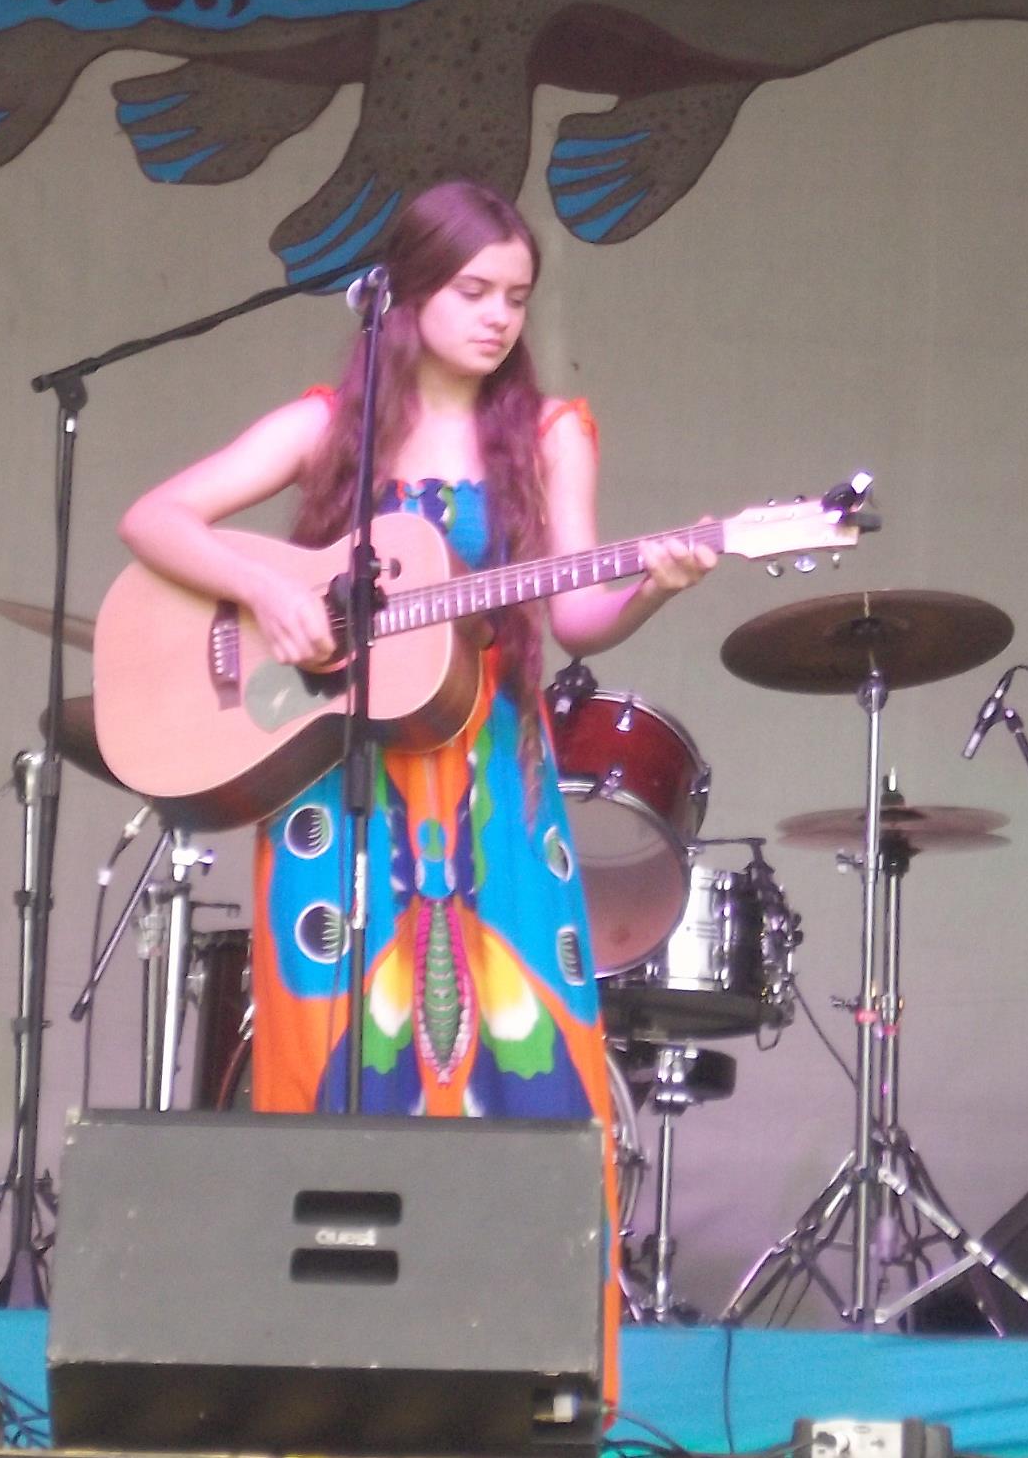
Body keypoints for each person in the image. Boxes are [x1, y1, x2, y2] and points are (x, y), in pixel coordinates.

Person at [116, 180, 714, 1360]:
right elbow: (157, 517)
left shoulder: (550, 434)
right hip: (333, 784)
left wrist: (651, 576)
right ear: (405, 293)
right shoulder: (327, 424)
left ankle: (519, 1366)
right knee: (329, 1054)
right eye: (474, 291)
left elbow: (578, 612)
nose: (499, 317)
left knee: (526, 1048)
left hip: (494, 782)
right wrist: (271, 586)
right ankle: (322, 1366)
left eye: (517, 297)